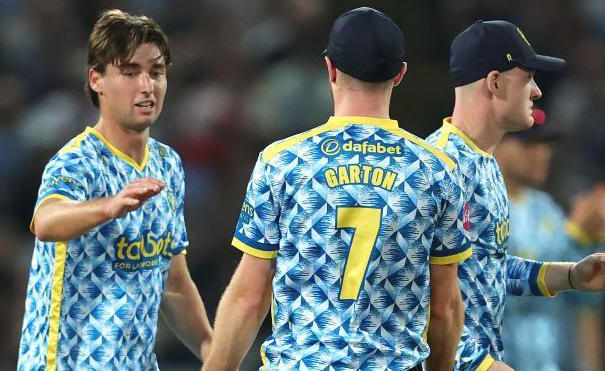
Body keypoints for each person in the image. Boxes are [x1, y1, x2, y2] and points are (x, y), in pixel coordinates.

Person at [203, 7, 472, 371]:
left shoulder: (283, 162)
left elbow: (250, 297)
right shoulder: (436, 169)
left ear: (330, 68)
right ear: (400, 75)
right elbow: (444, 307)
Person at [17, 9, 212, 370]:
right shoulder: (76, 161)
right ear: (96, 80)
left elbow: (173, 282)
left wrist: (214, 353)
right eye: (129, 72)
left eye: (156, 72)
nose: (146, 86)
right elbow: (46, 221)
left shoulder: (168, 164)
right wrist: (109, 207)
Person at [426, 20, 605, 371]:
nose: (537, 91)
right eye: (528, 78)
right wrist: (480, 366)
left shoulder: (486, 165)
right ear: (494, 82)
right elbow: (410, 293)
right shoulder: (437, 166)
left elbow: (487, 269)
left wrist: (570, 274)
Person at [495, 114, 605, 371]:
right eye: (529, 144)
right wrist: (572, 235)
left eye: (545, 145)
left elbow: (581, 300)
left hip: (549, 361)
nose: (542, 153)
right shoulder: (481, 205)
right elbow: (505, 294)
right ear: (499, 144)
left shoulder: (547, 210)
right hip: (499, 359)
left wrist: (589, 244)